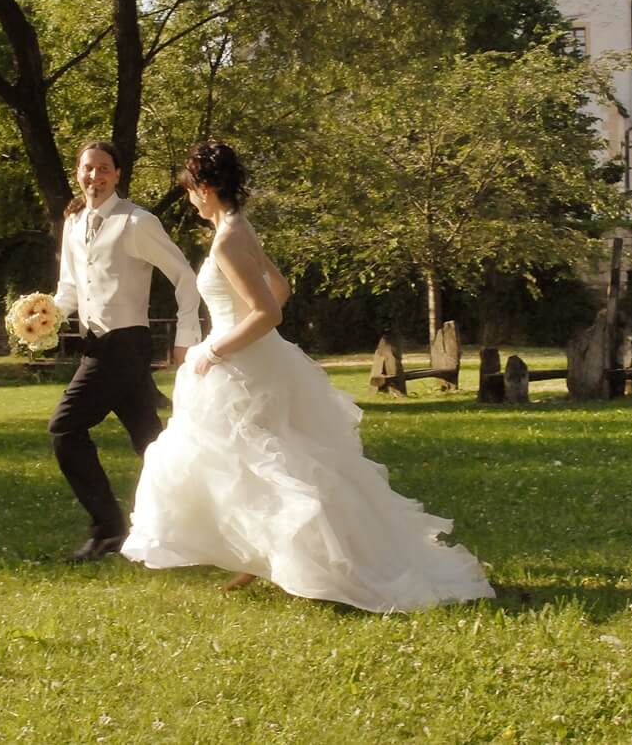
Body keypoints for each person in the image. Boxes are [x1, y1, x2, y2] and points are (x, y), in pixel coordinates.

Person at [121, 141, 494, 612]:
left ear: (208, 188)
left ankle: (308, 560)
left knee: (263, 466)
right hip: (258, 363)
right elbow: (283, 287)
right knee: (256, 463)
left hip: (243, 367)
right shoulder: (237, 229)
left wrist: (213, 347)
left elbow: (268, 310)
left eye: (192, 190)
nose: (191, 199)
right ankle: (257, 557)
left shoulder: (228, 239)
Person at [51, 141, 201, 562]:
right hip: (95, 344)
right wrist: (40, 317)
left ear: (117, 175)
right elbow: (68, 291)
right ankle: (200, 521)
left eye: (103, 170)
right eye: (87, 169)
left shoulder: (137, 222)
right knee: (151, 442)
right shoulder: (74, 222)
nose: (94, 177)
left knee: (64, 429)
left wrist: (185, 338)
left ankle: (108, 530)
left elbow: (185, 276)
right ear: (77, 173)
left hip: (124, 346)